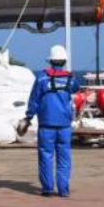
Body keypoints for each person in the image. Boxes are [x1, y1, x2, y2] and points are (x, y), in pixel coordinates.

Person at [19, 45, 81, 197]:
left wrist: (28, 117)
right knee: (64, 158)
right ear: (64, 61)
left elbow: (34, 100)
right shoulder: (71, 79)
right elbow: (75, 88)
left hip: (46, 125)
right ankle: (63, 190)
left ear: (51, 61)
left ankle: (47, 188)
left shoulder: (42, 78)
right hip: (64, 126)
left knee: (46, 156)